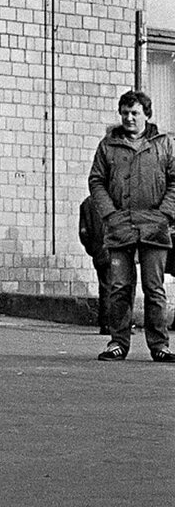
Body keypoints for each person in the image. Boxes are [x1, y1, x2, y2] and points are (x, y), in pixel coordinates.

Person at [87, 90, 175, 362]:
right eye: (124, 113)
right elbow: (96, 181)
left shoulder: (163, 144)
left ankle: (160, 345)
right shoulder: (108, 145)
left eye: (135, 113)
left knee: (154, 288)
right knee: (120, 287)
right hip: (120, 225)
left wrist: (165, 215)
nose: (129, 118)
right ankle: (118, 343)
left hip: (154, 225)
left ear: (146, 115)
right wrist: (110, 215)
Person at [77, 196, 110, 335]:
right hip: (116, 249)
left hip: (99, 252)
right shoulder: (115, 199)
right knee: (120, 288)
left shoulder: (87, 203)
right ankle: (117, 324)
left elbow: (83, 232)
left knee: (105, 287)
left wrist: (94, 250)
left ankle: (105, 324)